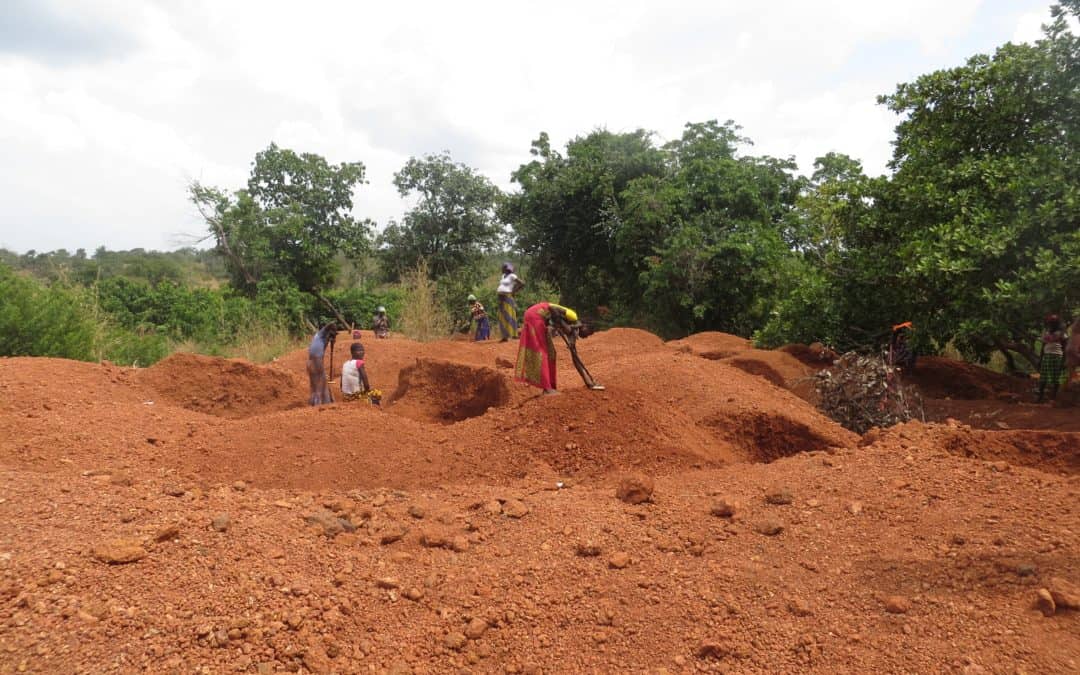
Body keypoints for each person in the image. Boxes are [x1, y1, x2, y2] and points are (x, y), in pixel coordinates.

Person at [514, 301, 604, 394]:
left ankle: (550, 386)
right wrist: (567, 327)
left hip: (536, 317)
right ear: (584, 325)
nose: (587, 336)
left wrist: (589, 382)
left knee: (551, 353)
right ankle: (547, 389)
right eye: (589, 332)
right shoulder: (573, 316)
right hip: (535, 315)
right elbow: (552, 308)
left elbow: (575, 358)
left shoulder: (572, 331)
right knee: (543, 352)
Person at [1037, 314, 1067, 402]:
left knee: (1056, 378)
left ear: (1057, 323)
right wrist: (1040, 359)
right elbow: (1043, 346)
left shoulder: (1062, 334)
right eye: (1050, 322)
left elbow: (1065, 348)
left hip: (1057, 356)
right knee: (1043, 377)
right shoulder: (1046, 333)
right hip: (1046, 357)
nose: (1051, 324)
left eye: (1053, 322)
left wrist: (1063, 361)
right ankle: (1040, 397)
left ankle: (1054, 398)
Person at [307, 322, 337, 406]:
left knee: (319, 386)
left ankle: (326, 403)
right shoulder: (321, 334)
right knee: (319, 387)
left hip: (312, 362)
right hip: (316, 362)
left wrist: (331, 340)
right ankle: (318, 406)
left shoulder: (321, 339)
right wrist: (334, 331)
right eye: (331, 334)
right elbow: (332, 324)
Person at [496, 262, 524, 342]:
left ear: (507, 268)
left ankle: (513, 335)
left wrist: (514, 291)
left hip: (507, 297)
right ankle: (504, 336)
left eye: (503, 267)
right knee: (502, 316)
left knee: (509, 315)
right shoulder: (503, 276)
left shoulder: (512, 276)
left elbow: (522, 283)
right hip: (500, 298)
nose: (502, 268)